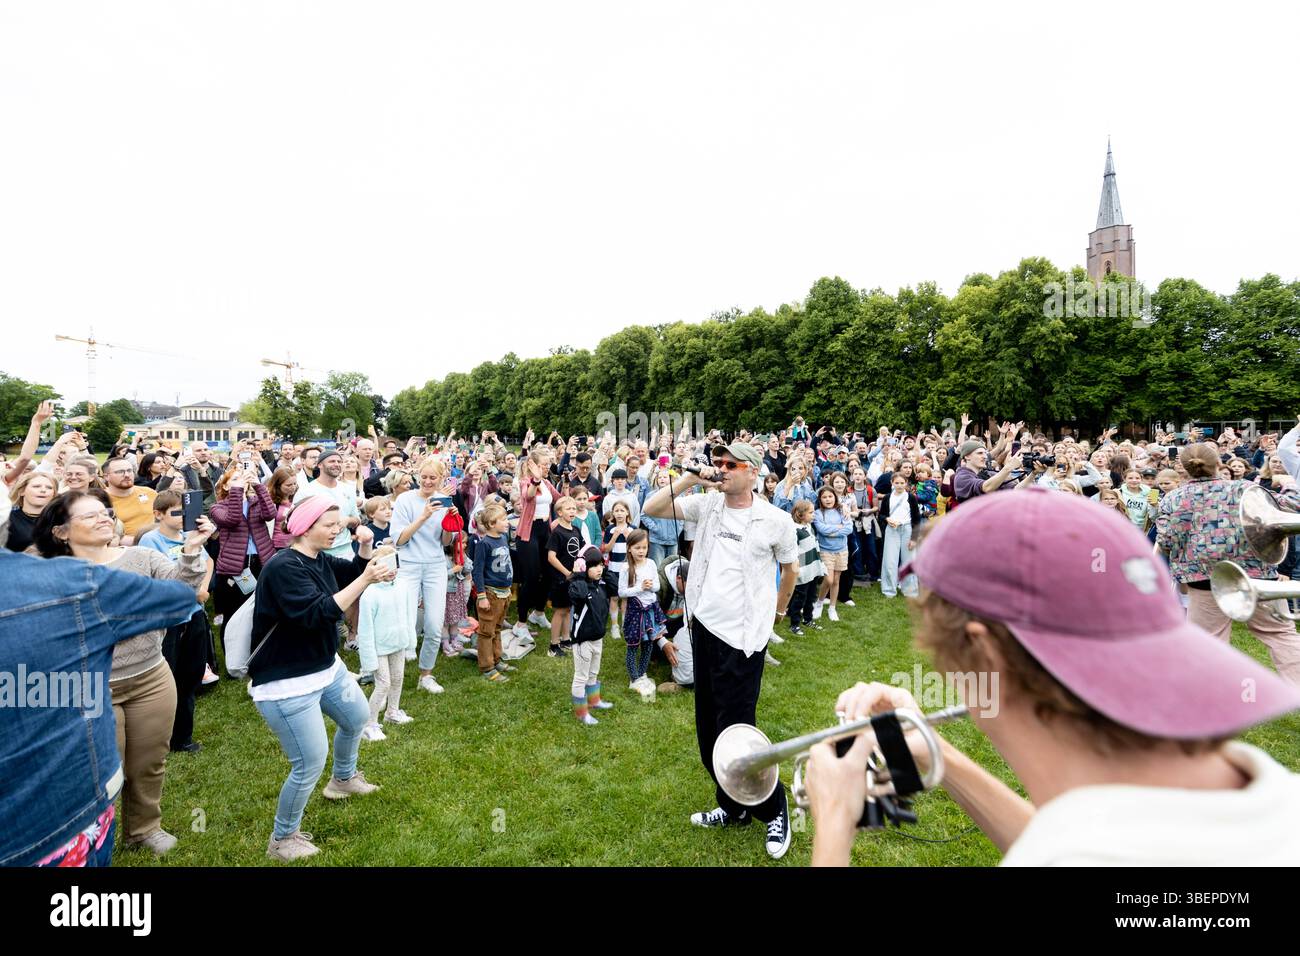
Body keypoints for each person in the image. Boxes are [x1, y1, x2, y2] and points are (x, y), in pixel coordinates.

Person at [805, 488, 1300, 866]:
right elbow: (1068, 848)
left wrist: (832, 823)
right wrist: (936, 752)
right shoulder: (1266, 790)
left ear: (983, 651)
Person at [0, 483, 201, 867]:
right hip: (85, 687)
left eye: (106, 512)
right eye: (90, 514)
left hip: (149, 675)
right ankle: (92, 836)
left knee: (149, 760)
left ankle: (144, 828)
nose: (104, 518)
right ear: (60, 530)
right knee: (103, 768)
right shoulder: (39, 571)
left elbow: (183, 593)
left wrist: (191, 552)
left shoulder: (139, 556)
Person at [642, 439, 798, 860]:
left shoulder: (775, 520)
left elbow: (790, 568)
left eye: (731, 463)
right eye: (718, 462)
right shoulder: (706, 505)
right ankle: (734, 807)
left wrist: (778, 612)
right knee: (709, 732)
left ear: (753, 472)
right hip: (704, 629)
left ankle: (774, 805)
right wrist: (691, 478)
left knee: (738, 732)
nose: (722, 468)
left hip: (743, 638)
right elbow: (653, 509)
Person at [248, 496, 393, 861]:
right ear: (304, 527)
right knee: (309, 761)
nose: (336, 530)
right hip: (287, 681)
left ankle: (343, 780)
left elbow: (347, 573)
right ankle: (282, 838)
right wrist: (367, 578)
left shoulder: (318, 558)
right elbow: (320, 613)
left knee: (357, 718)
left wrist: (364, 551)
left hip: (324, 667)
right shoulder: (284, 567)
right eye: (329, 525)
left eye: (338, 524)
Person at [1157, 443, 1300, 684]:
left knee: (1208, 642)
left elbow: (1167, 539)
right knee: (1280, 634)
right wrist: (1289, 484)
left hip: (1203, 578)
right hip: (1257, 572)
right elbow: (1292, 507)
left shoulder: (1174, 498)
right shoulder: (1245, 488)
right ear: (1218, 465)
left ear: (1183, 468)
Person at [137, 491, 215, 753]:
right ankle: (157, 738)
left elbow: (206, 562)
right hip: (168, 621)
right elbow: (157, 581)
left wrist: (203, 587)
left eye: (184, 512)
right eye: (175, 513)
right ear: (158, 514)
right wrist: (193, 591)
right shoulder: (150, 541)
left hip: (193, 615)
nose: (182, 518)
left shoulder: (189, 537)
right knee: (165, 680)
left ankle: (182, 737)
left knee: (189, 678)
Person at [389, 458, 456, 695]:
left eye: (433, 478)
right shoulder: (405, 500)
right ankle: (390, 675)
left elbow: (446, 542)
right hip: (408, 565)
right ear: (418, 476)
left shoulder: (444, 502)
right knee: (405, 622)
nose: (427, 481)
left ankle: (426, 674)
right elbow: (399, 539)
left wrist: (449, 522)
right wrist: (424, 516)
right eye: (424, 477)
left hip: (435, 565)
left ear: (441, 479)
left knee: (434, 625)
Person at [210, 461, 278, 654]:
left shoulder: (256, 501)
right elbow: (232, 519)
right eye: (235, 479)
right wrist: (237, 492)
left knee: (262, 611)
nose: (241, 482)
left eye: (243, 478)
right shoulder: (218, 507)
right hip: (235, 567)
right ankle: (234, 656)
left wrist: (258, 484)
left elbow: (270, 514)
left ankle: (258, 653)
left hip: (261, 561)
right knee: (234, 613)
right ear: (225, 486)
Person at [356, 545, 417, 741]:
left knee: (398, 677)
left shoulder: (402, 586)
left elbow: (409, 616)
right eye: (386, 566)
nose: (392, 571)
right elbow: (364, 630)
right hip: (378, 648)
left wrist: (410, 643)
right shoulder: (370, 595)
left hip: (398, 643)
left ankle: (392, 712)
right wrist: (369, 661)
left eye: (394, 565)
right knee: (383, 684)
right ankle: (369, 724)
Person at [566, 546, 620, 725]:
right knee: (581, 676)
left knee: (594, 672)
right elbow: (579, 594)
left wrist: (604, 572)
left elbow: (615, 588)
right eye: (594, 565)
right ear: (582, 566)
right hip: (583, 641)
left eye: (601, 565)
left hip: (598, 638)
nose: (599, 569)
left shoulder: (599, 585)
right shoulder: (578, 586)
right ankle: (582, 713)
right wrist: (579, 574)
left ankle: (594, 701)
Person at [619, 529, 671, 692]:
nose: (641, 551)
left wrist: (650, 586)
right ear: (629, 548)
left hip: (651, 609)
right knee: (633, 644)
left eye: (644, 547)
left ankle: (642, 674)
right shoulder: (626, 568)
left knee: (649, 643)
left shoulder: (651, 563)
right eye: (637, 548)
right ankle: (633, 678)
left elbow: (657, 586)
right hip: (635, 611)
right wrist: (639, 588)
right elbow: (621, 592)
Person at [472, 503, 517, 682]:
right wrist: (481, 596)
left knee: (497, 628)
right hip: (490, 594)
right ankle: (487, 666)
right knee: (486, 631)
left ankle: (496, 658)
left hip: (504, 592)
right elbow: (477, 571)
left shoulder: (503, 538)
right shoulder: (484, 544)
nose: (507, 522)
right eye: (504, 519)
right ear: (491, 524)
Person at [811, 485, 852, 621]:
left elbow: (849, 529)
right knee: (828, 579)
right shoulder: (817, 513)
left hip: (841, 550)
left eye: (830, 496)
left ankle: (832, 608)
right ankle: (819, 603)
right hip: (825, 550)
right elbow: (822, 530)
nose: (828, 499)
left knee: (836, 580)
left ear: (835, 497)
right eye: (824, 497)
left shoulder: (842, 510)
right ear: (820, 499)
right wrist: (838, 528)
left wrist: (833, 532)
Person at [880, 473, 921, 599]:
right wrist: (887, 519)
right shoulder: (887, 497)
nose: (899, 485)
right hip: (892, 530)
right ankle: (889, 590)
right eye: (896, 483)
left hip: (907, 529)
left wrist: (914, 538)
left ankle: (910, 590)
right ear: (892, 483)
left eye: (902, 483)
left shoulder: (911, 497)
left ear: (906, 483)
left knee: (908, 561)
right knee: (889, 560)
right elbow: (881, 515)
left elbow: (916, 519)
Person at [788, 499, 825, 636]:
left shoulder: (810, 527)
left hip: (813, 567)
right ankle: (794, 624)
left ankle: (808, 619)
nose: (813, 515)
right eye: (810, 512)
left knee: (811, 596)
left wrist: (820, 564)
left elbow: (815, 546)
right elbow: (793, 552)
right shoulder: (794, 530)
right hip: (802, 570)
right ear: (800, 514)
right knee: (800, 597)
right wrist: (797, 570)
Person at [102, 457, 156, 545]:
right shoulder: (99, 500)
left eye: (129, 470)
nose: (126, 475)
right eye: (120, 472)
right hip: (123, 550)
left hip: (156, 545)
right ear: (106, 476)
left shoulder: (149, 492)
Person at [5, 470, 57, 553]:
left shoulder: (61, 518)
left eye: (49, 487)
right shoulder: (7, 518)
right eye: (36, 486)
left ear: (54, 494)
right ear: (22, 491)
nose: (43, 490)